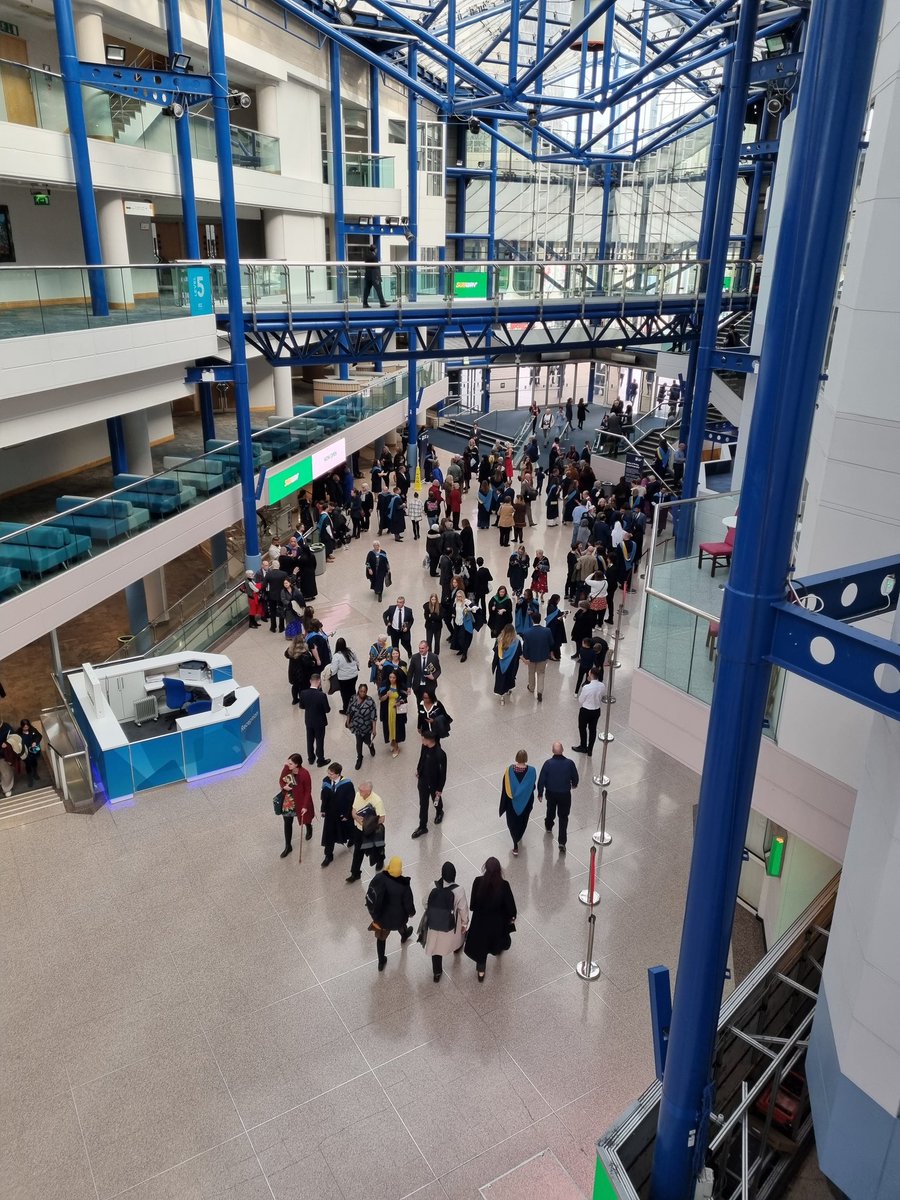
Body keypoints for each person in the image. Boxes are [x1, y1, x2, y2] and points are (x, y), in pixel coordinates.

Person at [464, 857, 517, 981]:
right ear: (499, 870)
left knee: (481, 948)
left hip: (480, 923)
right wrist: (512, 917)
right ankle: (497, 950)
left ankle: (481, 972)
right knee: (499, 942)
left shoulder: (477, 882)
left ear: (485, 869)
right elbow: (511, 908)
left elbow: (472, 906)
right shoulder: (504, 885)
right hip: (497, 924)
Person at [366, 857, 416, 971]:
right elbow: (408, 904)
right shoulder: (404, 885)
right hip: (398, 918)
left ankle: (381, 961)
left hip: (382, 918)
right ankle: (404, 935)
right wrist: (412, 912)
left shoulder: (380, 877)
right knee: (401, 925)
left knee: (381, 939)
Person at [422, 862, 469, 982]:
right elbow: (463, 910)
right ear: (454, 875)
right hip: (451, 926)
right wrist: (464, 923)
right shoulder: (459, 890)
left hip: (435, 925)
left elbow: (425, 902)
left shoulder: (432, 885)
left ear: (442, 874)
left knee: (436, 949)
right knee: (456, 939)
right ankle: (457, 948)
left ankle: (437, 973)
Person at [537, 743, 579, 851]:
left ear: (552, 751)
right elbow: (575, 777)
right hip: (565, 794)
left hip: (551, 793)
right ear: (563, 750)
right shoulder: (569, 763)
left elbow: (542, 779)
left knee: (550, 810)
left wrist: (540, 792)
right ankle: (562, 842)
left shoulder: (548, 764)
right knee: (563, 817)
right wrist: (574, 784)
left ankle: (549, 825)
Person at [498, 749, 537, 855]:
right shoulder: (532, 771)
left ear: (516, 757)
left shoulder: (509, 770)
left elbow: (505, 788)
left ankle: (515, 842)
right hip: (526, 803)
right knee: (523, 821)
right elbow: (532, 786)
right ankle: (519, 836)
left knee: (512, 822)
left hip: (512, 803)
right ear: (526, 758)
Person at [346, 780, 386, 881]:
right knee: (358, 852)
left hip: (372, 831)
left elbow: (382, 819)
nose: (359, 792)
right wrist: (355, 817)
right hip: (359, 830)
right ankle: (355, 873)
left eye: (362, 791)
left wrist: (368, 823)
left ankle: (380, 860)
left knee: (376, 848)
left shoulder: (377, 800)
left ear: (369, 791)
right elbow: (354, 810)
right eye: (359, 790)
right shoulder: (358, 794)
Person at [277, 753, 314, 857]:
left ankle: (309, 827)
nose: (288, 765)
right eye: (288, 762)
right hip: (288, 800)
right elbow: (281, 780)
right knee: (287, 822)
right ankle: (288, 845)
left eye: (290, 763)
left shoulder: (304, 774)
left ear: (297, 764)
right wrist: (284, 786)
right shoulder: (287, 768)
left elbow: (308, 791)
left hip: (301, 801)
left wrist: (305, 806)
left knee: (305, 817)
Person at [412, 732, 447, 838]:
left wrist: (440, 789)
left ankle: (439, 811)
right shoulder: (424, 747)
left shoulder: (440, 754)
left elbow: (443, 774)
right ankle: (422, 826)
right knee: (423, 804)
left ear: (429, 740)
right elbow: (421, 759)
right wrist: (419, 770)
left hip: (434, 784)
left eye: (423, 739)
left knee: (435, 800)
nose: (422, 741)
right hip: (423, 782)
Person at [320, 761, 355, 867]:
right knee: (329, 833)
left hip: (342, 813)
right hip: (330, 813)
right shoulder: (326, 781)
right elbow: (324, 797)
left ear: (338, 774)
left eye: (331, 774)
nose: (328, 775)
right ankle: (328, 855)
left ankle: (352, 840)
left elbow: (350, 800)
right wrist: (323, 809)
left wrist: (346, 814)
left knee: (348, 829)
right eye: (328, 773)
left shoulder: (347, 784)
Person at [299, 674, 331, 766]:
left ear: (310, 681)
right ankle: (320, 760)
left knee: (309, 740)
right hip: (320, 722)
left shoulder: (303, 693)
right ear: (319, 682)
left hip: (309, 720)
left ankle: (311, 758)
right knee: (319, 741)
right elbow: (327, 710)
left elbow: (301, 706)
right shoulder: (321, 695)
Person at [521, 616, 555, 703]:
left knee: (531, 672)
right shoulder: (547, 631)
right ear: (540, 619)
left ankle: (531, 688)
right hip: (543, 656)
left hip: (531, 657)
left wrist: (526, 657)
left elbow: (525, 647)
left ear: (532, 620)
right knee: (541, 673)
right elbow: (552, 643)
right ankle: (540, 692)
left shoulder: (527, 632)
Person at [573, 668, 606, 754]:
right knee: (593, 729)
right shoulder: (602, 685)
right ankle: (590, 749)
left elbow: (581, 700)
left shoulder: (586, 687)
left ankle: (583, 746)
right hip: (596, 710)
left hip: (586, 710)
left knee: (582, 728)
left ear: (591, 675)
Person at [346, 682, 378, 770]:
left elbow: (373, 716)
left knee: (367, 740)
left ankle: (371, 745)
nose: (362, 693)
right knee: (358, 742)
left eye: (364, 691)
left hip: (366, 726)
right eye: (361, 691)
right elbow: (349, 711)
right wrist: (348, 722)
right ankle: (359, 757)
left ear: (366, 691)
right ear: (358, 691)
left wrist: (374, 729)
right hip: (356, 726)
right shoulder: (353, 698)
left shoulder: (370, 701)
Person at [378, 670, 408, 757]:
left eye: (394, 677)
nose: (392, 679)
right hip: (387, 710)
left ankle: (396, 747)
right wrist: (386, 695)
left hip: (397, 711)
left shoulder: (401, 686)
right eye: (390, 677)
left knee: (396, 728)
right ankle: (392, 741)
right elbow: (381, 699)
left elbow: (405, 697)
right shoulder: (384, 686)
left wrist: (399, 702)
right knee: (389, 727)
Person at [492, 624, 521, 705]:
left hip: (501, 665)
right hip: (511, 665)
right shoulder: (517, 642)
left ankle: (502, 698)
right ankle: (508, 690)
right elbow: (519, 653)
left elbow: (495, 652)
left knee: (501, 680)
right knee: (509, 678)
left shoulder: (499, 640)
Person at [332, 638, 360, 714]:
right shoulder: (351, 652)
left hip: (343, 679)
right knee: (352, 691)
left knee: (345, 694)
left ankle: (346, 709)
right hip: (354, 676)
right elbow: (357, 661)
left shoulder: (336, 656)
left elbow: (334, 670)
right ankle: (355, 707)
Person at [18, 719, 42, 788]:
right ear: (22, 726)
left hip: (33, 751)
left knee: (34, 763)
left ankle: (35, 773)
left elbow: (39, 736)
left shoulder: (33, 730)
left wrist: (35, 741)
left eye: (27, 727)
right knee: (28, 765)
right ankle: (30, 779)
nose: (26, 728)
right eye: (24, 727)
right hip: (25, 752)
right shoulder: (18, 733)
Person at [544, 594, 568, 661]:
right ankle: (551, 655)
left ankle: (554, 654)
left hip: (555, 627)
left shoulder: (552, 606)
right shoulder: (552, 608)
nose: (559, 601)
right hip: (554, 627)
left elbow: (556, 615)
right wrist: (561, 616)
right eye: (558, 600)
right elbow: (554, 618)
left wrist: (563, 613)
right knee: (554, 641)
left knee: (555, 640)